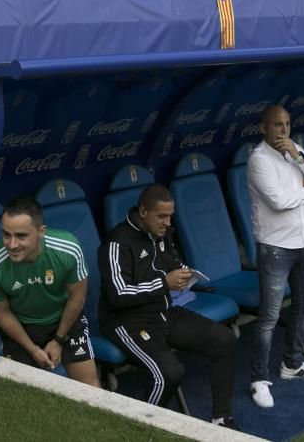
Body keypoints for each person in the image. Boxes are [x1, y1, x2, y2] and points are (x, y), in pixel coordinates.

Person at [98, 184, 237, 429]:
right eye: (161, 216)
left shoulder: (163, 235)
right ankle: (143, 429)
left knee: (223, 339)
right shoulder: (117, 242)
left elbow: (172, 261)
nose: (167, 222)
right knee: (169, 373)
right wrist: (164, 282)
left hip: (163, 312)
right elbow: (118, 294)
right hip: (126, 321)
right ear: (143, 212)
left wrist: (184, 273)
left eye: (170, 216)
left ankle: (221, 419)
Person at [247, 105, 304, 409]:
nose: (283, 130)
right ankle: (258, 379)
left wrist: (300, 156)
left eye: (287, 124)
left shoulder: (295, 151)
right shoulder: (258, 160)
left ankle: (292, 363)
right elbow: (281, 202)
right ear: (263, 128)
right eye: (277, 125)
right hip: (275, 248)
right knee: (269, 316)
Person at [0, 197, 98, 385]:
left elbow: (77, 298)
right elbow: (3, 314)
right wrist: (33, 350)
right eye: (6, 235)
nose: (12, 244)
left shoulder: (68, 249)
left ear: (40, 232)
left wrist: (58, 340)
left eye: (21, 236)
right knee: (24, 397)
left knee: (92, 390)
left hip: (64, 320)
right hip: (22, 329)